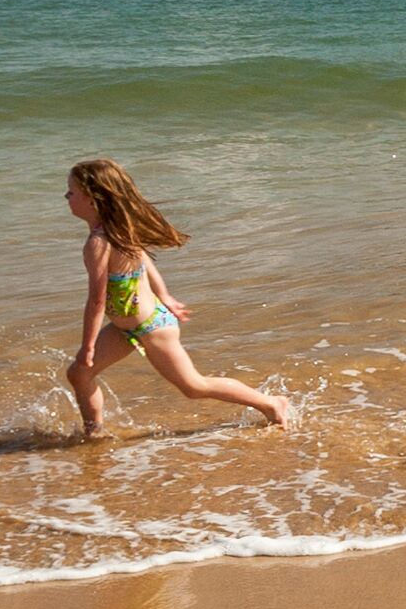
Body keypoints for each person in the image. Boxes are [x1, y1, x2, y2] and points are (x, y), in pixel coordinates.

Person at [62, 157, 295, 437]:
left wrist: (87, 345)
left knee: (194, 387)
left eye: (71, 191)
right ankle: (94, 434)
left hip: (152, 328)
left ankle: (270, 403)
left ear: (92, 199)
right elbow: (144, 261)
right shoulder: (119, 230)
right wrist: (164, 294)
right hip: (128, 328)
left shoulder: (98, 243)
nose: (66, 196)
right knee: (79, 374)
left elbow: (97, 301)